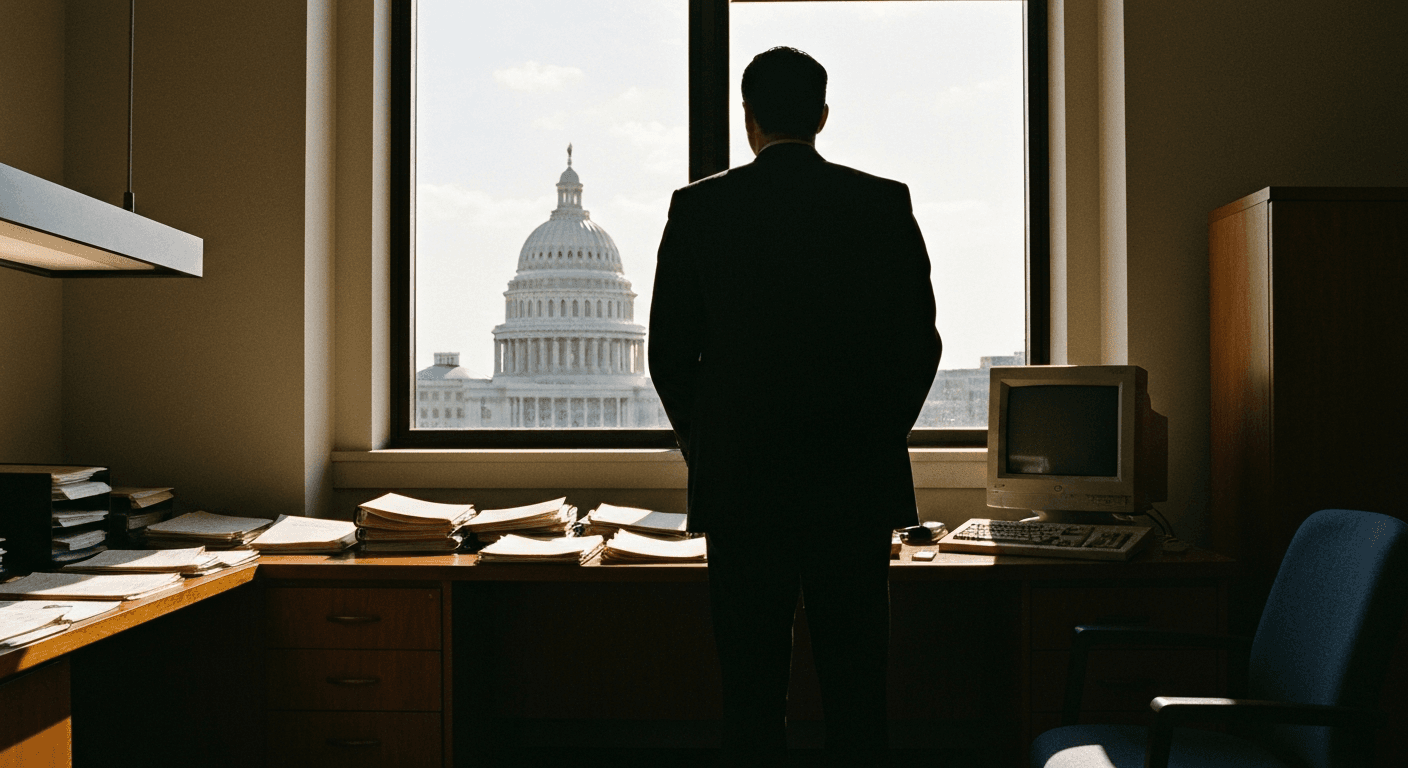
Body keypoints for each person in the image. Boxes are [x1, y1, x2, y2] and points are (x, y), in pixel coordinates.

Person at [648, 47, 942, 766]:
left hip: (742, 487)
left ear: (746, 118)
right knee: (856, 688)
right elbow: (920, 346)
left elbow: (667, 356)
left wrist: (710, 444)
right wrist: (875, 435)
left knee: (749, 694)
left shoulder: (699, 208)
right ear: (821, 115)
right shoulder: (882, 202)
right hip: (853, 486)